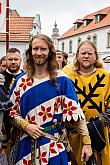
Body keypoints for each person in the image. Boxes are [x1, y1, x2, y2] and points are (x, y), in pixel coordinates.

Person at [9, 34, 92, 165]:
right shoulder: (21, 81)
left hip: (54, 146)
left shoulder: (62, 80)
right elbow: (10, 113)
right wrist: (26, 125)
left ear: (50, 52)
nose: (39, 53)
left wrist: (87, 143)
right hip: (26, 145)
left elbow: (76, 115)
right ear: (30, 52)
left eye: (43, 49)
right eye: (35, 49)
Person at [62, 40, 110, 165]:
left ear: (95, 56)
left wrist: (100, 121)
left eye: (90, 53)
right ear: (77, 55)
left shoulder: (106, 76)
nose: (86, 56)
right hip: (74, 132)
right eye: (83, 53)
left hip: (99, 131)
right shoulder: (67, 77)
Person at [2, 48, 24, 159]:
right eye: (10, 59)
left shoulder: (28, 78)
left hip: (23, 125)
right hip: (4, 125)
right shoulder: (0, 78)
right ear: (5, 61)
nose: (13, 62)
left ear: (21, 60)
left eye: (16, 59)